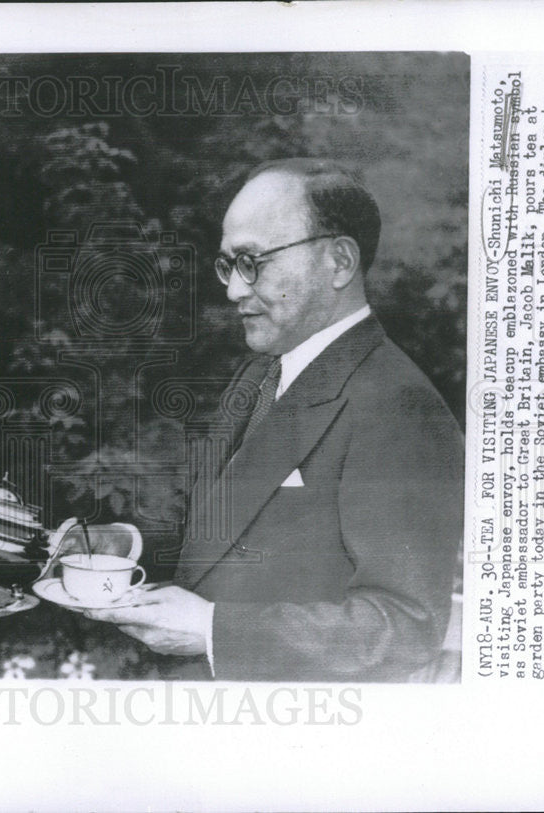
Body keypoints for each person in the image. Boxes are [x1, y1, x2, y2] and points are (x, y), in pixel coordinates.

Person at [86, 158, 464, 682]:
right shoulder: (259, 375)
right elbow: (215, 533)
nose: (233, 291)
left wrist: (214, 632)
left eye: (252, 261)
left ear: (338, 261)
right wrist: (119, 545)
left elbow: (406, 624)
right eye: (228, 265)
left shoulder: (399, 406)